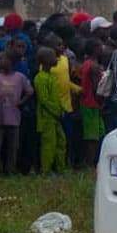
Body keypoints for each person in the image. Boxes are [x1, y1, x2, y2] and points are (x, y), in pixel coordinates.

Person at [46, 33, 81, 167]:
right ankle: (53, 164)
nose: (62, 47)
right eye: (58, 45)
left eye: (62, 44)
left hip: (67, 105)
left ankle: (66, 163)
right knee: (53, 139)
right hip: (53, 106)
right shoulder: (46, 63)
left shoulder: (65, 60)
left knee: (67, 137)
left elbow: (66, 81)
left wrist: (77, 89)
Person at [0, 51, 33, 174]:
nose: (1, 61)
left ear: (11, 62)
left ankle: (10, 169)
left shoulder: (20, 77)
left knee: (13, 147)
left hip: (14, 118)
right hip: (0, 117)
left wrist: (21, 102)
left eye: (3, 59)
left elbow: (30, 91)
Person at [34, 47, 66, 173]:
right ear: (45, 60)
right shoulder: (40, 78)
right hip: (46, 117)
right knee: (48, 145)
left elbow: (55, 97)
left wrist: (60, 109)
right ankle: (46, 170)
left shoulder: (51, 76)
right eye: (53, 56)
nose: (56, 58)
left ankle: (60, 169)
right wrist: (56, 111)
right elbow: (44, 100)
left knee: (61, 141)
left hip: (55, 116)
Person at [79, 38, 105, 166]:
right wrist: (101, 103)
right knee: (92, 137)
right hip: (92, 104)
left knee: (97, 133)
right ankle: (90, 163)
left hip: (87, 102)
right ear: (95, 49)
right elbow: (97, 88)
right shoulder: (94, 66)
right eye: (100, 46)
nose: (102, 48)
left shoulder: (86, 63)